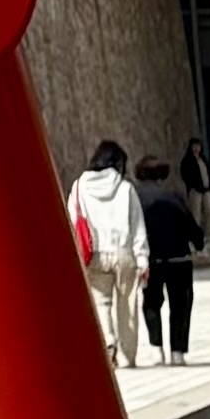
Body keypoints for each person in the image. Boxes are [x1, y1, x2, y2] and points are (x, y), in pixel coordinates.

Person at [67, 140, 151, 369]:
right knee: (127, 305)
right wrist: (142, 258)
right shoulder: (126, 188)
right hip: (123, 253)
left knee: (101, 302)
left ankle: (108, 342)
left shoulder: (79, 187)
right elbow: (137, 226)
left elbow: (73, 222)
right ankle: (128, 356)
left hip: (94, 254)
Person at [143, 145, 208, 362]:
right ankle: (177, 352)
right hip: (178, 257)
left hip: (152, 258)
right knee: (180, 305)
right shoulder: (173, 196)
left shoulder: (137, 196)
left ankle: (156, 348)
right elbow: (190, 224)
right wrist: (199, 244)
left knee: (151, 302)